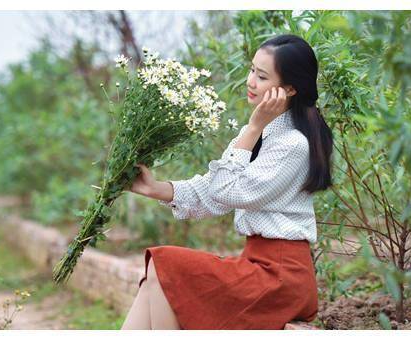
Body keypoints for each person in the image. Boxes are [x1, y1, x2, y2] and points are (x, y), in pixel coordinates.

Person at [122, 34, 334, 330]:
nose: (250, 82)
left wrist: (253, 127)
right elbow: (212, 191)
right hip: (256, 264)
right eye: (251, 70)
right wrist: (155, 188)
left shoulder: (292, 145)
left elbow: (227, 190)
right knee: (155, 281)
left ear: (289, 89)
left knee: (165, 265)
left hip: (281, 276)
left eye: (261, 76)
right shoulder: (257, 134)